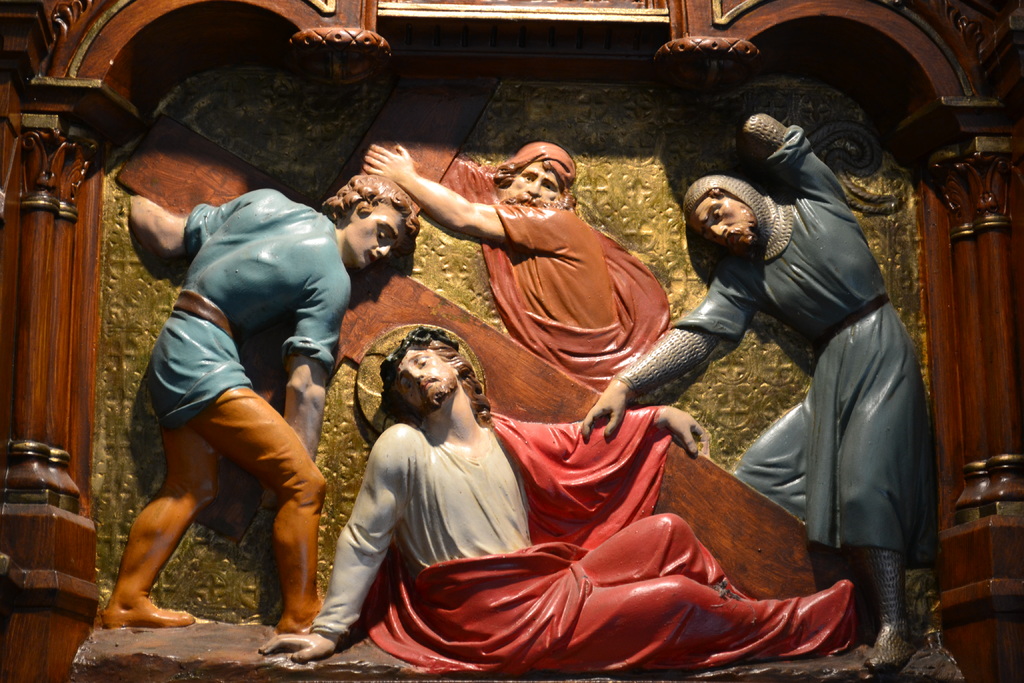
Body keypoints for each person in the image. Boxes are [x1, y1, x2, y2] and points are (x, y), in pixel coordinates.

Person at [260, 326, 857, 673]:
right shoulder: (403, 446)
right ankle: (795, 625)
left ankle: (734, 611)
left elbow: (579, 444)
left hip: (542, 586)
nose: (417, 378)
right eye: (404, 381)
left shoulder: (505, 435)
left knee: (668, 532)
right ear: (401, 401)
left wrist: (660, 416)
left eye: (422, 363)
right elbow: (364, 539)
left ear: (456, 365)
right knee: (675, 599)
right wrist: (330, 631)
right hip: (489, 619)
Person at [583, 114, 935, 673]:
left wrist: (752, 126)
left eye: (717, 214)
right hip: (834, 366)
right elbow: (698, 336)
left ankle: (894, 625)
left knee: (867, 488)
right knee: (762, 473)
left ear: (740, 196)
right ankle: (790, 602)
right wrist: (626, 383)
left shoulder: (813, 203)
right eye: (706, 232)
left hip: (878, 347)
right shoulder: (742, 275)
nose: (718, 231)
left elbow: (775, 140)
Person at [100, 176, 419, 634]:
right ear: (357, 209)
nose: (382, 251)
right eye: (383, 232)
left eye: (392, 246)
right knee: (305, 487)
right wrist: (292, 470)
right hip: (203, 359)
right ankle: (301, 614)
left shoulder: (266, 203)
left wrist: (129, 193)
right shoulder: (331, 276)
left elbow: (167, 235)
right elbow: (306, 384)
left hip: (175, 343)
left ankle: (127, 600)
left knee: (190, 486)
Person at [363, 142, 670, 389]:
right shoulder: (521, 224)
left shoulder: (556, 222)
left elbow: (465, 215)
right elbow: (479, 181)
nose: (535, 191)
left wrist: (406, 178)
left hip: (591, 366)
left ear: (561, 199)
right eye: (528, 177)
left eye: (549, 185)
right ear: (507, 180)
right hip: (580, 367)